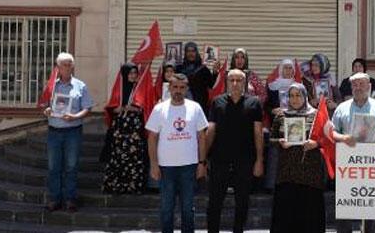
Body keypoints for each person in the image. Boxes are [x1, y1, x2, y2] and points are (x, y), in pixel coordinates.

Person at [146, 73, 208, 233]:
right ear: (169, 88)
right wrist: (153, 164)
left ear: (187, 89)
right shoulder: (159, 109)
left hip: (189, 166)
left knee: (188, 209)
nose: (178, 91)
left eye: (182, 87)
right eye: (175, 87)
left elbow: (202, 136)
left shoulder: (195, 108)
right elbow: (152, 138)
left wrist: (202, 163)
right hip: (166, 167)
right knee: (166, 209)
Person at [331, 72, 375, 233]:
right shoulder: (342, 108)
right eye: (355, 84)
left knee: (370, 209)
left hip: (372, 165)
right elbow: (331, 132)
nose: (358, 87)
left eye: (361, 84)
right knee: (345, 208)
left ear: (369, 86)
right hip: (348, 165)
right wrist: (343, 138)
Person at [205, 69, 264, 233]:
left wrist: (259, 160)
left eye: (239, 80)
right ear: (227, 82)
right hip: (219, 159)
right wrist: (202, 158)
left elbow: (258, 133)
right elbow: (210, 131)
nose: (235, 83)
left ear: (244, 83)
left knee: (242, 201)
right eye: (232, 80)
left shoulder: (254, 103)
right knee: (215, 201)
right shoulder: (217, 102)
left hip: (245, 160)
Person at [269, 83, 325, 233]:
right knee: (285, 219)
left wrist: (316, 144)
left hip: (310, 175)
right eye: (291, 96)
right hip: (286, 175)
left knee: (309, 220)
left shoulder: (316, 115)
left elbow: (327, 138)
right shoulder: (281, 115)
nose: (294, 99)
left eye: (298, 95)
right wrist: (279, 142)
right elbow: (271, 139)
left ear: (305, 96)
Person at [42, 52, 93, 212]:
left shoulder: (80, 86)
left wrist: (75, 116)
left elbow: (87, 107)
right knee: (54, 167)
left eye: (70, 64)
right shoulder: (51, 86)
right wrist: (47, 110)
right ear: (58, 67)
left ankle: (70, 199)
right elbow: (44, 104)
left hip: (73, 131)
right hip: (54, 131)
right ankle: (55, 199)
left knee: (71, 166)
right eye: (64, 64)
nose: (68, 67)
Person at [101, 63, 147, 194]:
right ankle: (117, 186)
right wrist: (117, 109)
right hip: (120, 128)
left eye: (135, 73)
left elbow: (145, 106)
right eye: (130, 73)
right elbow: (111, 107)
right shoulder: (119, 89)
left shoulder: (139, 88)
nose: (133, 76)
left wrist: (134, 109)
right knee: (118, 155)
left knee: (134, 156)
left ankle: (133, 186)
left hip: (134, 128)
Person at [264, 58, 299, 191]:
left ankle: (293, 183)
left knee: (293, 153)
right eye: (286, 68)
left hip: (294, 123)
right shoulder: (273, 86)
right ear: (280, 70)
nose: (288, 71)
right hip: (277, 123)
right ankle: (272, 185)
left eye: (290, 68)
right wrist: (273, 110)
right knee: (275, 153)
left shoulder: (299, 86)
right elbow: (266, 105)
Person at [175, 41, 215, 111]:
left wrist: (215, 73)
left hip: (200, 105)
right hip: (182, 103)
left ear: (196, 52)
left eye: (193, 51)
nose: (191, 54)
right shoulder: (179, 68)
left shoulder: (203, 69)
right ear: (185, 53)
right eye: (188, 51)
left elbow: (212, 85)